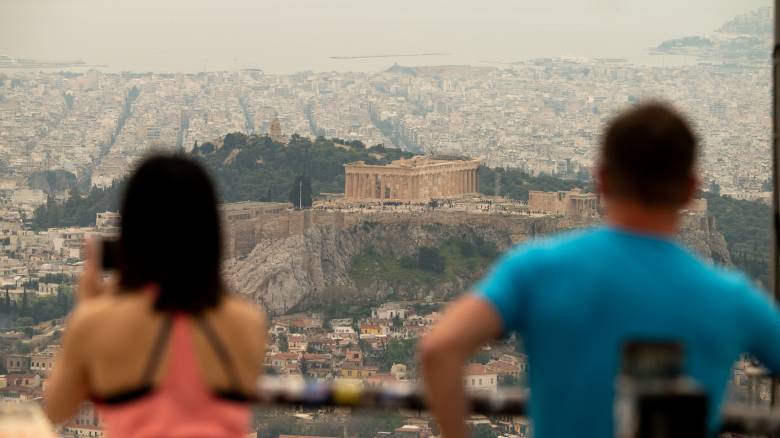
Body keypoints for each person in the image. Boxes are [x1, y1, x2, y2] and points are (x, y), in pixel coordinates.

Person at [419, 103, 780, 438]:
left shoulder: (538, 269)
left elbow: (439, 348)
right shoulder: (732, 299)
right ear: (691, 192)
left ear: (601, 181)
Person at [45, 155, 267, 437]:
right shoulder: (247, 322)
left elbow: (57, 408)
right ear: (209, 231)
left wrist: (88, 309)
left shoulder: (98, 322)